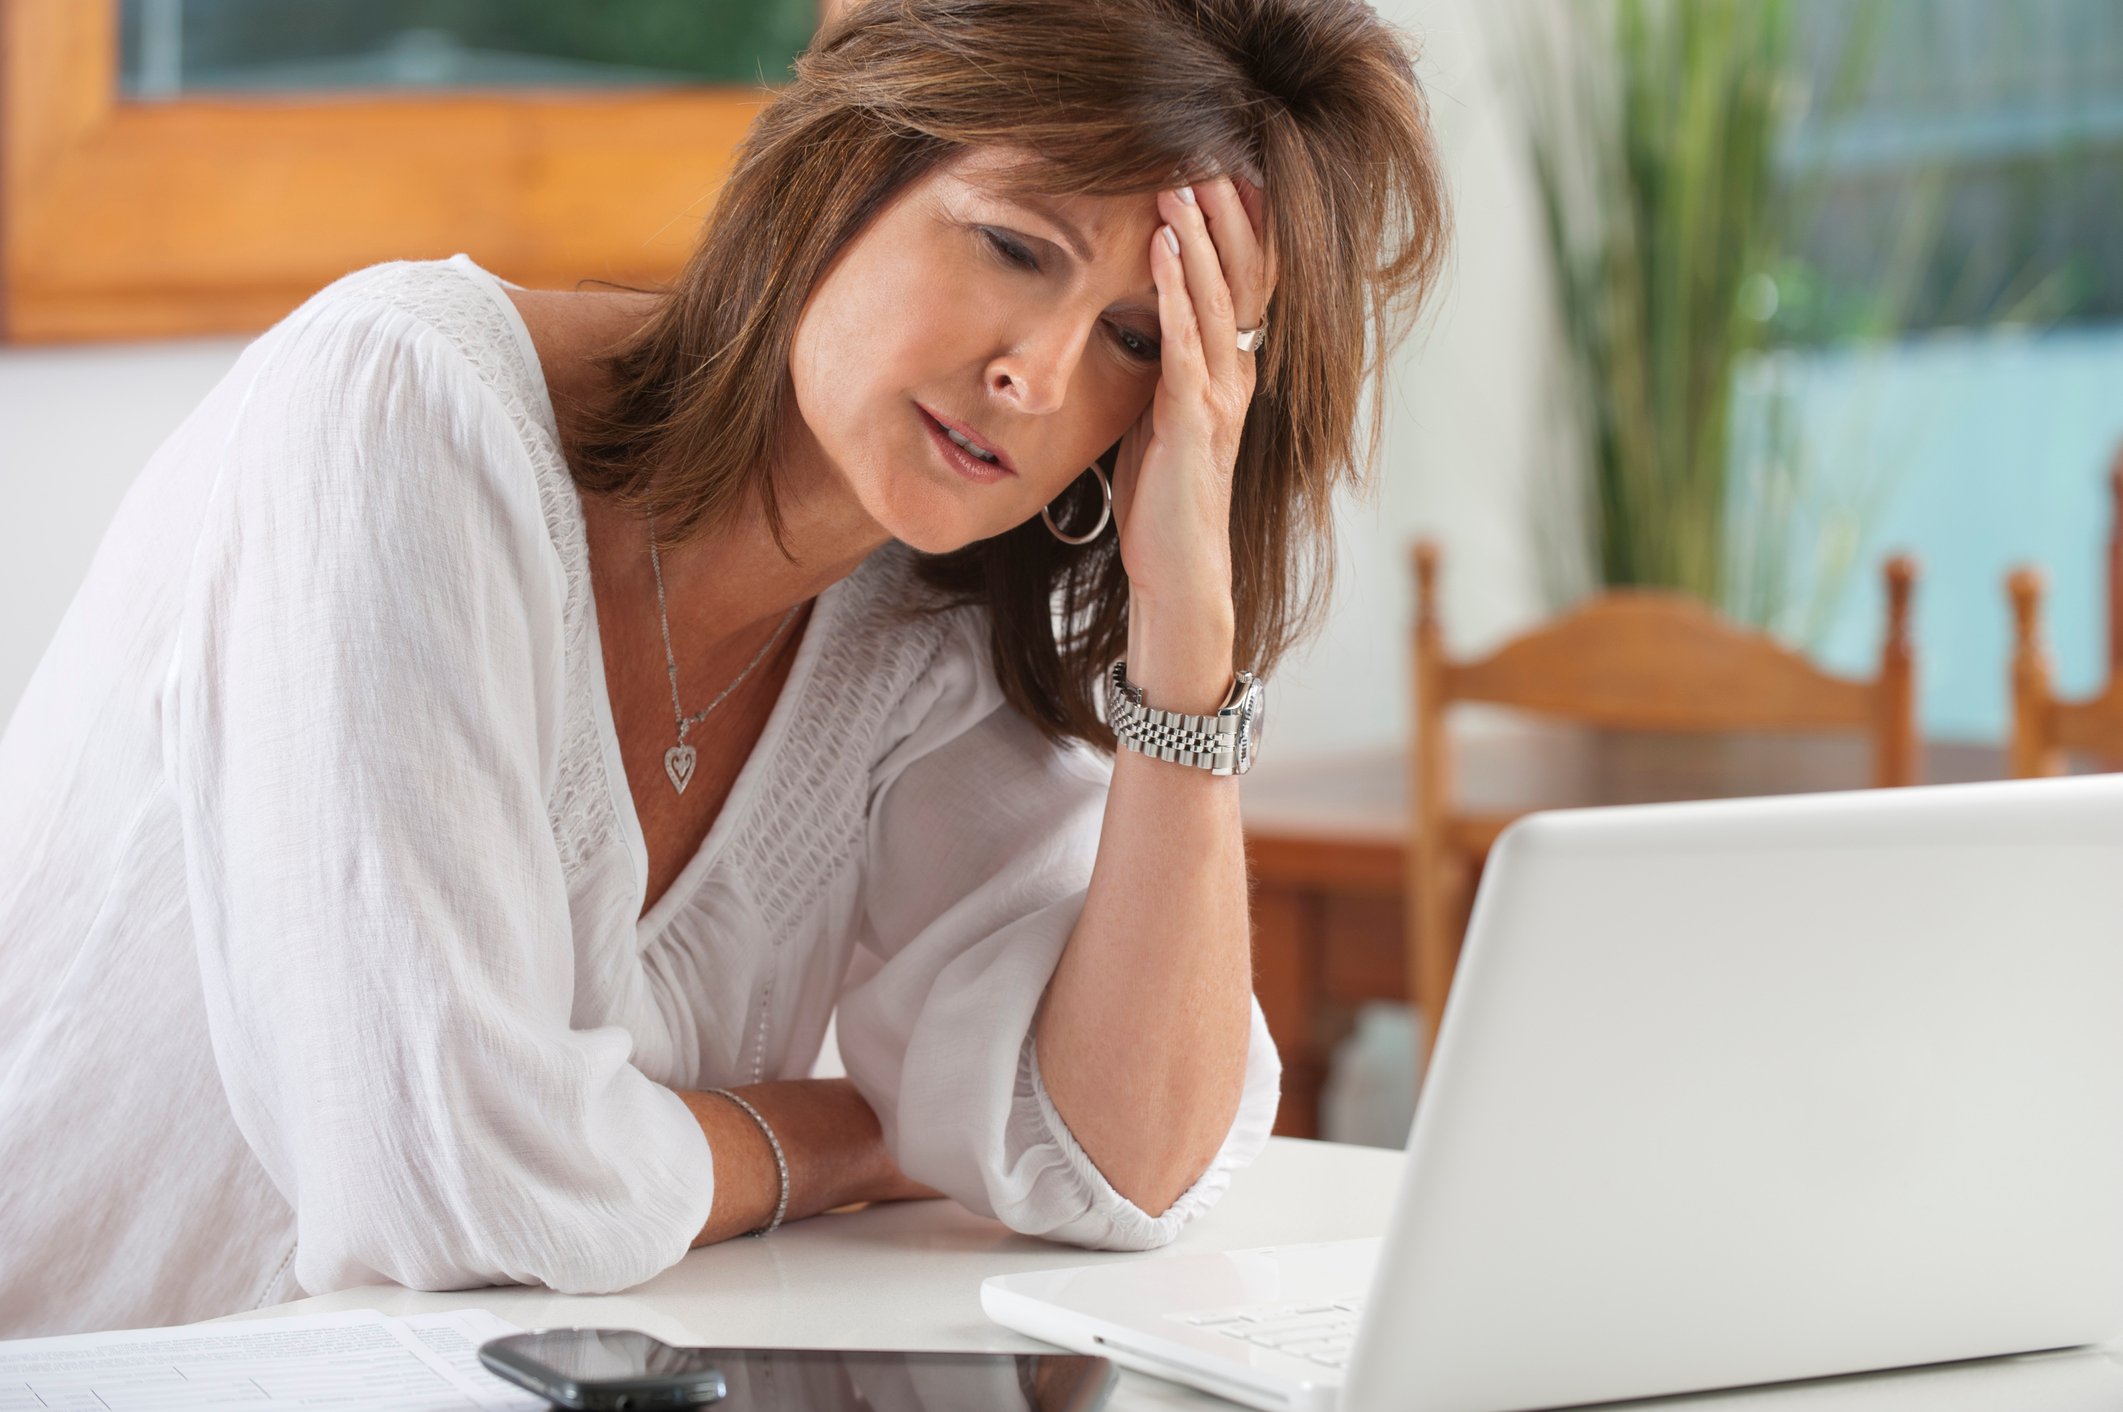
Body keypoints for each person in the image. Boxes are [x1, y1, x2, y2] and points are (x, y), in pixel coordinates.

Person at [0, 0, 1447, 1337]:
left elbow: (1113, 1164)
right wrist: (842, 1133)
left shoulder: (924, 623)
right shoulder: (397, 416)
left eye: (1137, 340)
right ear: (848, 166)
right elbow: (449, 1195)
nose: (1041, 379)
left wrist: (1190, 641)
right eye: (1015, 246)